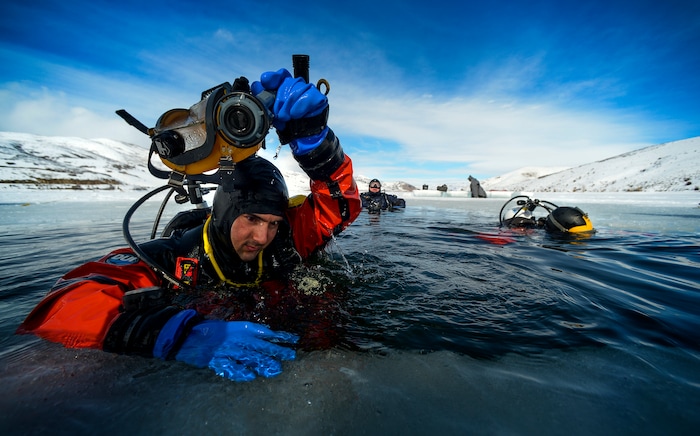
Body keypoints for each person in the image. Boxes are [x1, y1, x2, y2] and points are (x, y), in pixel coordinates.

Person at [16, 67, 362, 382]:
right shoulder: (174, 257)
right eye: (252, 219)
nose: (263, 236)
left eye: (273, 222)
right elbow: (63, 303)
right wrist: (171, 334)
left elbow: (339, 204)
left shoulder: (286, 239)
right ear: (225, 214)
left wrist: (314, 140)